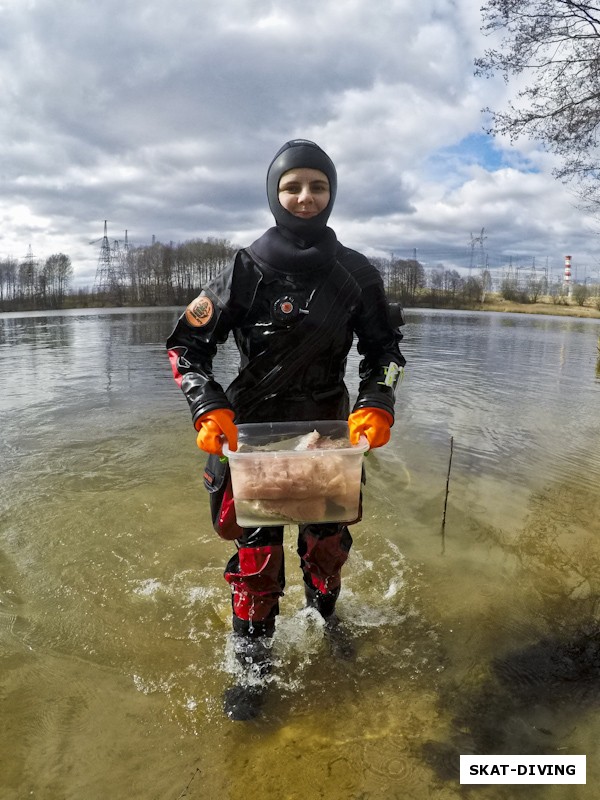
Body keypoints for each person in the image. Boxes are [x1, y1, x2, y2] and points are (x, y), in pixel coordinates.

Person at [166, 139, 405, 720]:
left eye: (317, 186)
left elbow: (385, 352)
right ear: (274, 193)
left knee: (326, 547)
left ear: (332, 194)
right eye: (292, 186)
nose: (305, 197)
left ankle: (327, 623)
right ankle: (252, 664)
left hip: (329, 438)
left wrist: (377, 402)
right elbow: (185, 348)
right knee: (257, 554)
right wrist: (208, 408)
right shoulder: (244, 269)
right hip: (251, 438)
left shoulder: (355, 273)